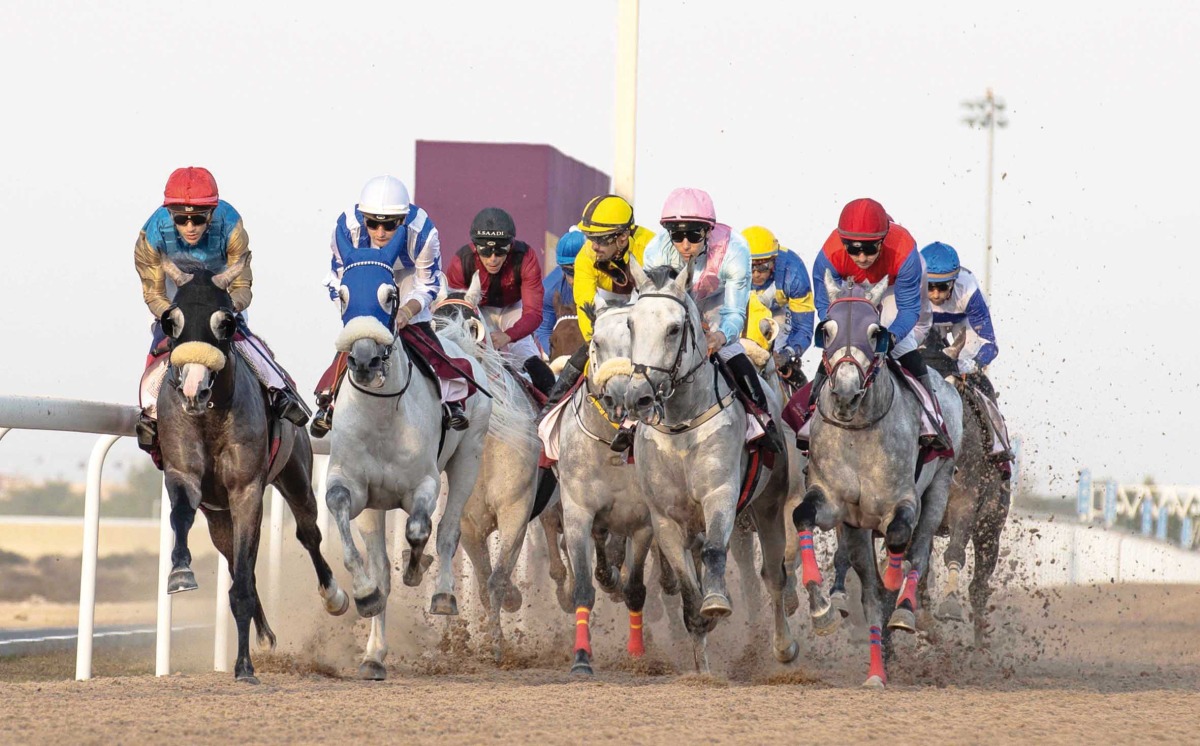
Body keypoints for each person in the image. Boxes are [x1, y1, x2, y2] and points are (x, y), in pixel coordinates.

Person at [133, 167, 308, 468]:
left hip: (220, 294)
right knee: (162, 344)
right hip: (177, 296)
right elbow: (153, 294)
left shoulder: (232, 226)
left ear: (212, 214)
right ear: (169, 215)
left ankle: (279, 391)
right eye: (181, 218)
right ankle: (150, 413)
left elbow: (242, 287)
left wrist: (221, 310)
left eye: (199, 218)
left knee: (241, 339)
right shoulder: (150, 237)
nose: (190, 226)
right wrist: (178, 317)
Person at [310, 175, 471, 436]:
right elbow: (339, 279)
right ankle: (327, 401)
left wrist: (406, 312)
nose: (381, 233)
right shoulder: (346, 228)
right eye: (372, 224)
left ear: (403, 220)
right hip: (364, 282)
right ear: (363, 217)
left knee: (419, 335)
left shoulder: (424, 233)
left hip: (407, 279)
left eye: (390, 226)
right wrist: (360, 314)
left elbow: (427, 284)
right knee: (360, 337)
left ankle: (452, 400)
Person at [641, 188, 786, 453]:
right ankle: (629, 420)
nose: (685, 244)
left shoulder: (735, 249)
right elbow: (656, 307)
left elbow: (734, 313)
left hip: (715, 308)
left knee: (732, 352)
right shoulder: (655, 251)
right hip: (674, 309)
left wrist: (720, 336)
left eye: (694, 235)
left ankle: (761, 419)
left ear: (708, 232)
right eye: (677, 235)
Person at [810, 197, 949, 449]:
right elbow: (824, 307)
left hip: (894, 286)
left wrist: (891, 336)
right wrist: (841, 330)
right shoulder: (828, 255)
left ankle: (932, 418)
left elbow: (908, 310)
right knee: (839, 346)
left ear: (883, 241)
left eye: (870, 248)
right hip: (853, 286)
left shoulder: (906, 252)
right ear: (843, 243)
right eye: (853, 249)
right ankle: (810, 414)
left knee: (900, 347)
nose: (862, 257)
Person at [539, 194, 656, 452]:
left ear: (622, 237)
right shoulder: (585, 258)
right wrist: (599, 346)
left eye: (600, 240)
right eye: (590, 238)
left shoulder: (652, 248)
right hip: (607, 317)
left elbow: (658, 309)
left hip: (649, 315)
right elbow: (585, 308)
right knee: (583, 358)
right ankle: (548, 417)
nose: (592, 246)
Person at [443, 207, 556, 395]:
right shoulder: (460, 262)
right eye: (485, 251)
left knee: (534, 365)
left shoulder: (526, 257)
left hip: (512, 309)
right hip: (476, 309)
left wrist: (508, 336)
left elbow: (534, 314)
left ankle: (551, 409)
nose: (493, 259)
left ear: (511, 246)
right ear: (475, 247)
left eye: (500, 251)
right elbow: (454, 312)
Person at [921, 241, 1013, 467]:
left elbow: (989, 343)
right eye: (930, 286)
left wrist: (974, 364)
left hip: (961, 324)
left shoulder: (968, 290)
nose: (935, 294)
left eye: (943, 287)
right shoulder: (910, 288)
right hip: (923, 323)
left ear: (954, 282)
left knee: (975, 379)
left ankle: (998, 446)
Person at [742, 225, 815, 382]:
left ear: (774, 261)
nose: (756, 274)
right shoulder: (731, 266)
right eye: (750, 266)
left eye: (763, 266)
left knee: (776, 350)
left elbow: (803, 328)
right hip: (744, 308)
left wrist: (786, 355)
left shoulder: (793, 272)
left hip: (779, 311)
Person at [535, 229, 587, 354]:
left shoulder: (609, 284)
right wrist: (557, 358)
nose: (574, 280)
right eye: (569, 272)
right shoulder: (549, 290)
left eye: (579, 271)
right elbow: (544, 331)